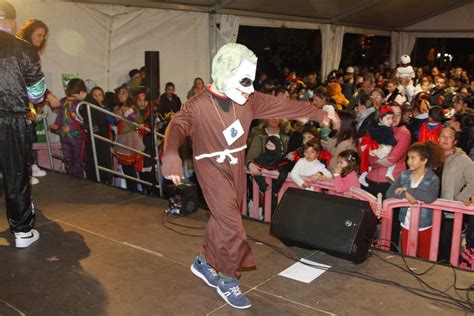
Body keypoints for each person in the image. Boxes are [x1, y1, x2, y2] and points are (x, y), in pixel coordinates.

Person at [161, 43, 339, 309]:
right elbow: (176, 127)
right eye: (244, 81)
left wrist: (320, 114)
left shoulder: (250, 99)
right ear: (224, 74)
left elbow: (283, 105)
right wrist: (171, 153)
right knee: (232, 224)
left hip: (236, 165)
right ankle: (228, 278)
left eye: (251, 81)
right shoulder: (196, 105)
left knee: (223, 217)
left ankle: (204, 261)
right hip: (210, 167)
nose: (249, 88)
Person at [0, 1, 46, 248]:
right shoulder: (23, 48)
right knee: (16, 174)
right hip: (12, 118)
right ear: (12, 21)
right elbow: (37, 90)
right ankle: (22, 232)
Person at [386, 141, 444, 259]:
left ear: (424, 160)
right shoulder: (404, 175)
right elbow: (389, 193)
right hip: (406, 223)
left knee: (425, 257)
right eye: (408, 158)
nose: (409, 161)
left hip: (424, 225)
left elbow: (429, 197)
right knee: (407, 256)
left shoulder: (433, 178)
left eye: (413, 158)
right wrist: (406, 195)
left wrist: (407, 190)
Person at [49, 79, 87, 178]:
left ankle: (79, 179)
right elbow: (60, 115)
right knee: (67, 159)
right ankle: (69, 177)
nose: (70, 98)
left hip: (76, 137)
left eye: (73, 96)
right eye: (69, 94)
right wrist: (56, 124)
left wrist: (71, 128)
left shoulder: (81, 104)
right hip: (64, 136)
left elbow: (82, 121)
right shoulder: (63, 101)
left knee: (77, 159)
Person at [359, 106, 397, 186]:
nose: (391, 121)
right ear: (380, 119)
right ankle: (389, 173)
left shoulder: (372, 127)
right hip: (380, 149)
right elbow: (391, 141)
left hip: (371, 148)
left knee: (369, 165)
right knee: (393, 162)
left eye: (391, 118)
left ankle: (362, 176)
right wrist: (394, 142)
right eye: (388, 118)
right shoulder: (386, 129)